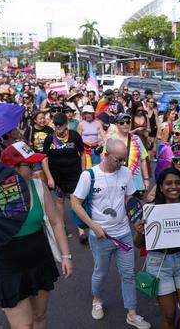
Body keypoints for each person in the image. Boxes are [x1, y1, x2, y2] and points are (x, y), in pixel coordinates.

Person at [0, 141, 72, 329]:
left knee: (39, 317)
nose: (34, 169)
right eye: (29, 165)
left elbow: (56, 221)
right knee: (24, 325)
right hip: (9, 269)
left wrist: (66, 256)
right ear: (12, 167)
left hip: (40, 262)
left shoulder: (38, 186)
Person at [70, 139, 151, 329]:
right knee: (100, 272)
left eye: (124, 160)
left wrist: (136, 217)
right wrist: (93, 226)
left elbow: (129, 197)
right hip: (101, 237)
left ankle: (132, 313)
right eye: (117, 160)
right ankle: (97, 300)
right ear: (105, 155)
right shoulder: (89, 175)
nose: (121, 164)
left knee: (128, 274)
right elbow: (75, 202)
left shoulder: (125, 173)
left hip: (123, 233)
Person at [134, 168, 180, 329]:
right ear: (160, 187)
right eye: (168, 183)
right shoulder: (151, 210)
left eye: (177, 183)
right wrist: (140, 232)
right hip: (159, 263)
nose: (174, 186)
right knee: (169, 314)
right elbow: (138, 244)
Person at [41, 113, 87, 244]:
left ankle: (81, 230)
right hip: (57, 177)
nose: (58, 127)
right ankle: (61, 227)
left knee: (75, 201)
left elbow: (82, 154)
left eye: (61, 124)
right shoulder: (49, 139)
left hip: (74, 175)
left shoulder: (74, 136)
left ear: (66, 125)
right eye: (56, 124)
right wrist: (49, 178)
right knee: (60, 201)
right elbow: (44, 159)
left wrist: (83, 173)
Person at [107, 113, 151, 198]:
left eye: (127, 122)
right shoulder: (111, 140)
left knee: (133, 209)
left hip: (135, 183)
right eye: (122, 123)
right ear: (117, 124)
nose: (125, 125)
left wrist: (146, 179)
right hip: (116, 181)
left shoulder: (136, 139)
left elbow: (143, 159)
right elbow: (106, 160)